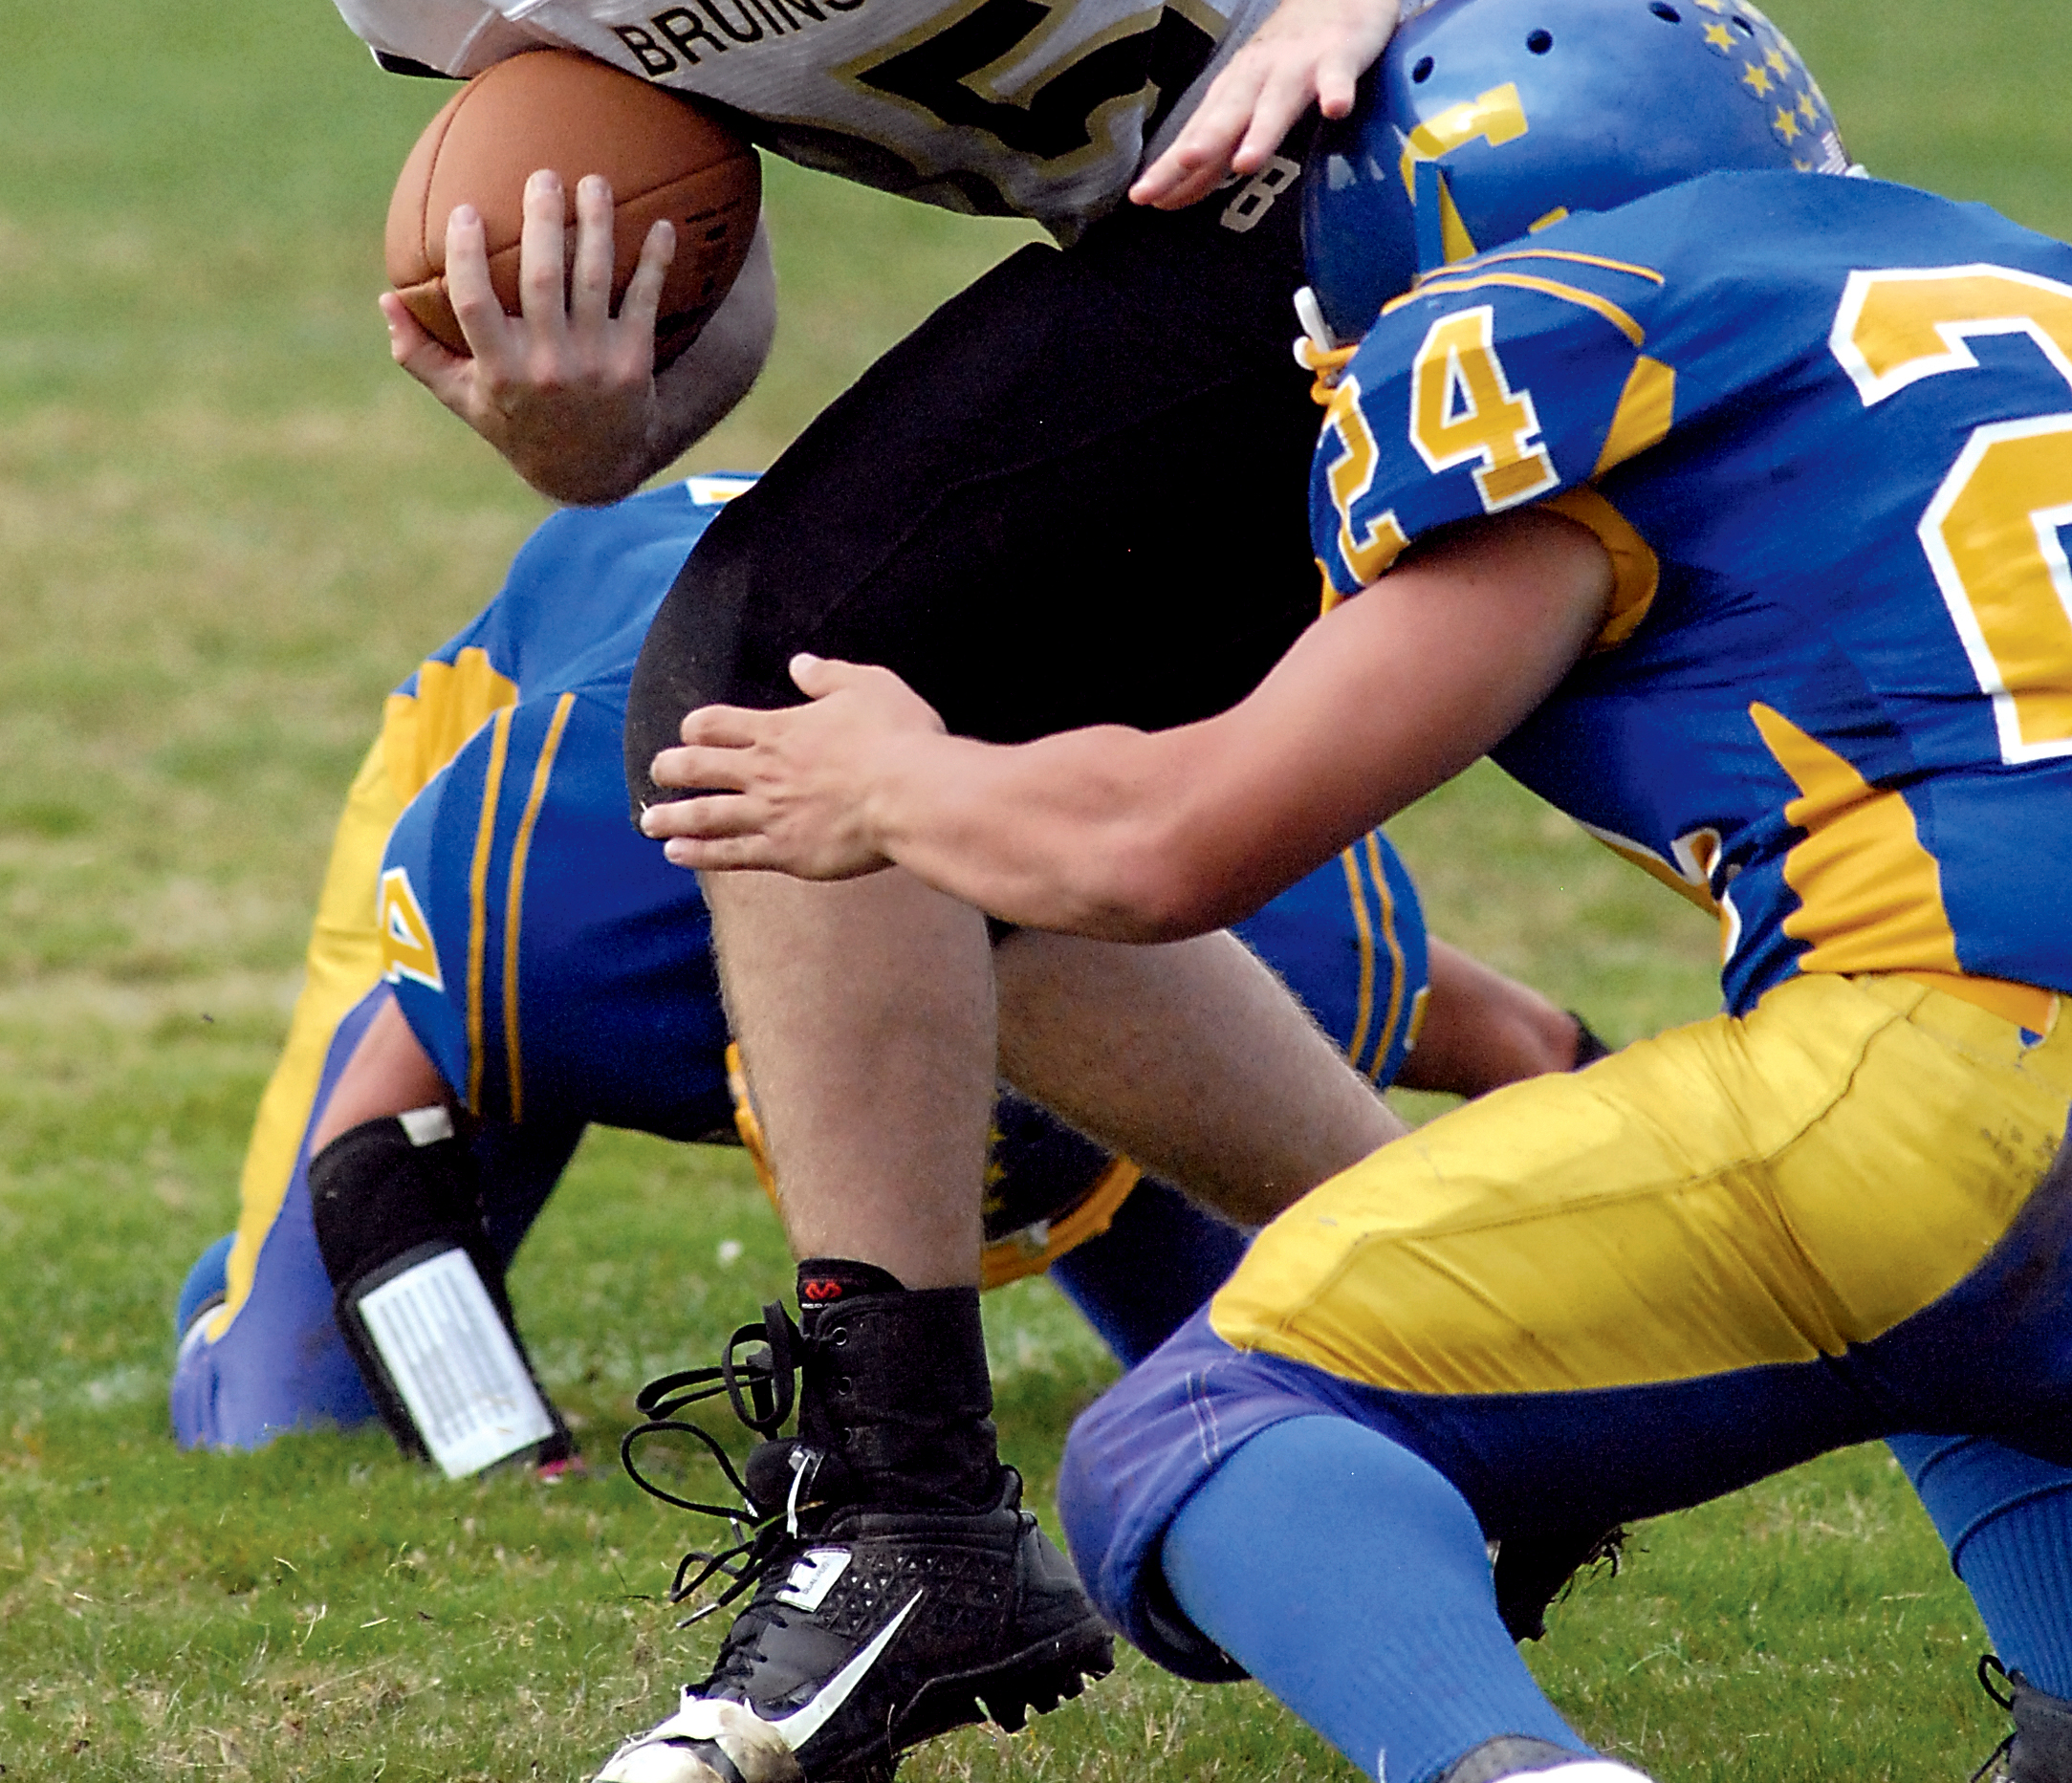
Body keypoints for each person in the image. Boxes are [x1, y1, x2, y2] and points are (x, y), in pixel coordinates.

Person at [185, 0, 1690, 1778]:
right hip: (1192, 244)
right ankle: (1046, 1475)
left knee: (1836, 828)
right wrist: (583, 423)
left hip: (1525, 109)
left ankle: (1071, 1479)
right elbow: (722, 291)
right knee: (806, 720)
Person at [653, 0, 2072, 1783]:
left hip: (1967, 1067)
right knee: (1975, 1323)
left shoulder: (1582, 330)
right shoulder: (2003, 288)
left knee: (1195, 1441)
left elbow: (1176, 841)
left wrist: (901, 788)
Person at [173, 470, 1599, 1469]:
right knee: (287, 1407)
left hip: (992, 800)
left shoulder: (1276, 930)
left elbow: (1535, 1051)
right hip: (583, 722)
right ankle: (222, 1297)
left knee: (1330, 1369)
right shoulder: (557, 911)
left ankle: (1094, 1221)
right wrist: (501, 1439)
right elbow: (384, 1120)